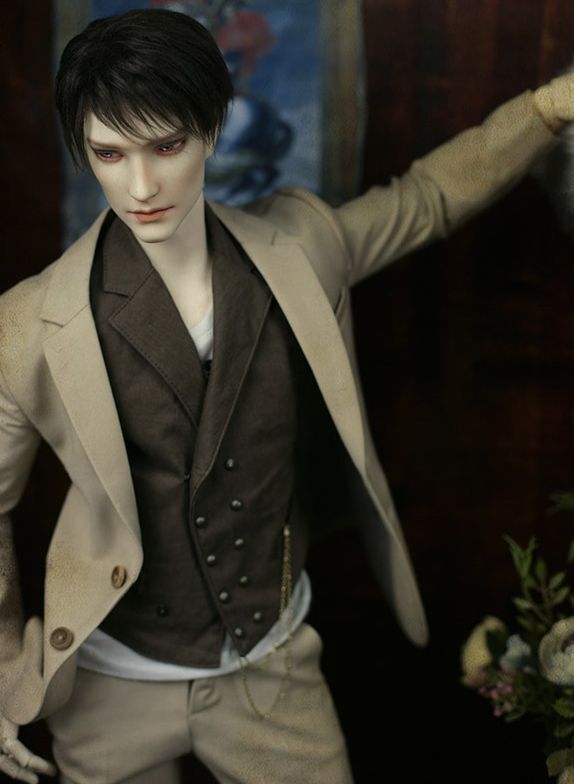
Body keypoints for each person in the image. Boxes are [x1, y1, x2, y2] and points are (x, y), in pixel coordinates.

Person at [0, 8, 572, 784]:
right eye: (110, 153)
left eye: (166, 146)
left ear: (210, 131)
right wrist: (5, 669)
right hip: (108, 684)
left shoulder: (299, 248)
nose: (140, 186)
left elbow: (428, 197)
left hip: (270, 669)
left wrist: (548, 108)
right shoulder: (30, 323)